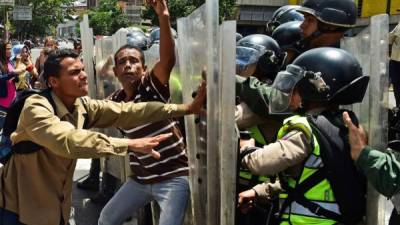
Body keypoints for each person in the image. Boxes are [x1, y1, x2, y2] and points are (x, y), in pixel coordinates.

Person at [0, 48, 206, 225]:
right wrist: (129, 144)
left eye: (82, 70)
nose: (83, 75)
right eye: (74, 72)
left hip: (55, 206)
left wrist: (186, 108)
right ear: (53, 81)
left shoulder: (82, 105)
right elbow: (69, 141)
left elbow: (130, 111)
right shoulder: (36, 107)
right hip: (18, 207)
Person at [238, 47, 369, 225]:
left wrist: (246, 148)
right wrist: (261, 191)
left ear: (312, 90)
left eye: (295, 88)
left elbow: (261, 162)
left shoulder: (305, 130)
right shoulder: (346, 126)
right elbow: (312, 178)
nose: (289, 93)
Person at [99, 1, 190, 225]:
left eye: (134, 61)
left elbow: (167, 60)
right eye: (122, 62)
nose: (128, 66)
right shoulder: (116, 102)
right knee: (106, 219)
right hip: (140, 180)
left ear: (144, 68)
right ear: (116, 71)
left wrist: (164, 17)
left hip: (173, 178)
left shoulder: (152, 89)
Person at [0, 41, 16, 110]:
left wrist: (16, 76)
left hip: (13, 99)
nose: (10, 51)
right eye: (7, 49)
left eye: (10, 49)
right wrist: (13, 73)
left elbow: (14, 78)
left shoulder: (10, 61)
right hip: (3, 102)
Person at [389, 22, 400, 107]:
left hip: (396, 61)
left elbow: (389, 39)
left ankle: (398, 106)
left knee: (396, 85)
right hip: (396, 61)